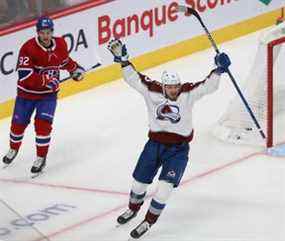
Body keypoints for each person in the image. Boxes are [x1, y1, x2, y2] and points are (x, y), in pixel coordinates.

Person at [107, 39, 231, 239]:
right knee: (139, 183)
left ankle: (149, 221)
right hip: (154, 145)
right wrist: (123, 61)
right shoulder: (152, 90)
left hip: (178, 151)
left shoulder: (187, 92)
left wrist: (217, 71)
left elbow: (207, 87)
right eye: (170, 87)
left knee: (164, 189)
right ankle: (133, 209)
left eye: (176, 86)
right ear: (164, 87)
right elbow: (134, 78)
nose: (174, 90)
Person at [2, 16, 84, 175]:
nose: (46, 35)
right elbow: (25, 76)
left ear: (52, 32)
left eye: (48, 32)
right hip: (26, 95)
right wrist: (46, 81)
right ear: (37, 32)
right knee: (18, 125)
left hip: (48, 97)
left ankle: (41, 158)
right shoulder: (28, 48)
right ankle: (13, 149)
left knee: (43, 126)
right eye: (42, 32)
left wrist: (75, 69)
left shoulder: (60, 44)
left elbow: (64, 61)